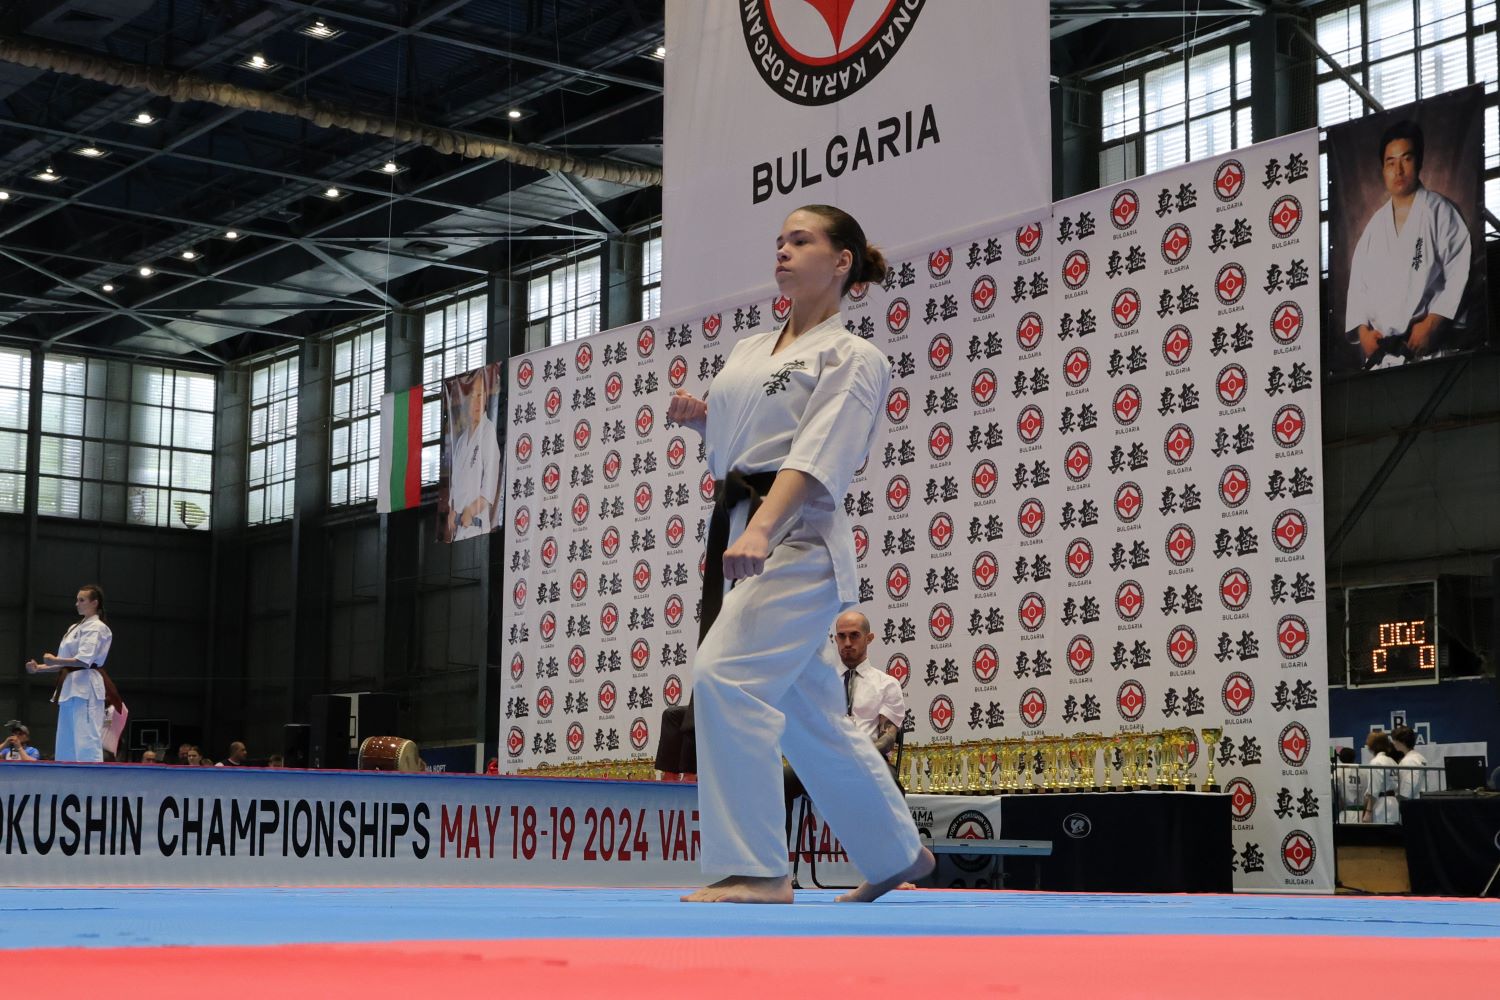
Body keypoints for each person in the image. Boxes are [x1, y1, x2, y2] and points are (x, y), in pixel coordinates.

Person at [670, 204, 932, 904]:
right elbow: (742, 443)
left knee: (725, 676)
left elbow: (819, 456)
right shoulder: (750, 350)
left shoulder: (853, 357)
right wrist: (703, 420)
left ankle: (757, 868)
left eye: (801, 240)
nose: (782, 250)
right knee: (809, 713)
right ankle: (897, 851)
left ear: (842, 261)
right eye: (779, 240)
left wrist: (763, 527)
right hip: (744, 532)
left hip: (799, 539)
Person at [1345, 120, 1472, 367]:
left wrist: (1433, 323)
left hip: (1427, 350)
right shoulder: (1374, 227)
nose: (1399, 170)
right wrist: (1363, 332)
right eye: (1390, 163)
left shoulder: (1439, 211)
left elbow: (1459, 271)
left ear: (1419, 162)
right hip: (1382, 358)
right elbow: (1358, 288)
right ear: (1383, 170)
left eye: (1406, 159)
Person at [785, 611, 906, 819]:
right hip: (825, 761)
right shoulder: (820, 683)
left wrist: (855, 754)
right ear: (835, 639)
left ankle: (888, 841)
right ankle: (778, 842)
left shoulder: (887, 684)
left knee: (893, 787)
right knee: (781, 780)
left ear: (869, 638)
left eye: (854, 635)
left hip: (869, 763)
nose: (847, 642)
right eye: (841, 636)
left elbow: (887, 739)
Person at [23, 585, 114, 762]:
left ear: (94, 603)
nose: (77, 603)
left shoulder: (97, 627)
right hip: (69, 688)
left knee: (87, 740)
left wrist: (55, 660)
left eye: (82, 600)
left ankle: (91, 778)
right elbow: (63, 663)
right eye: (77, 600)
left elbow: (84, 660)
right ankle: (66, 777)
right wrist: (38, 668)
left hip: (87, 687)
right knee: (66, 742)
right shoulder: (74, 627)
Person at [446, 374, 502, 541]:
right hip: (459, 529)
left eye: (480, 395)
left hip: (477, 525)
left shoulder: (488, 431)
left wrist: (471, 510)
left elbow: (490, 482)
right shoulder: (461, 441)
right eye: (472, 397)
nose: (477, 402)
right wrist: (452, 510)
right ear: (465, 402)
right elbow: (454, 484)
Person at [1362, 731, 1400, 824]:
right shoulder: (1392, 761)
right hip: (1394, 803)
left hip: (1381, 805)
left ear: (1371, 746)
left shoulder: (1376, 762)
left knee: (1381, 831)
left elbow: (1374, 790)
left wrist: (1368, 812)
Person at [1392, 725, 1430, 800]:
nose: (1393, 743)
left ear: (1402, 742)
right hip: (1419, 800)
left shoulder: (1409, 761)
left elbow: (1408, 788)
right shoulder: (1419, 757)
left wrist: (1400, 800)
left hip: (1411, 802)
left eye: (1395, 740)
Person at [1333, 746, 1364, 824]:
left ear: (1340, 758)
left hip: (1347, 814)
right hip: (1362, 814)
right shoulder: (1364, 771)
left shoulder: (1338, 772)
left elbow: (1334, 793)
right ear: (1354, 757)